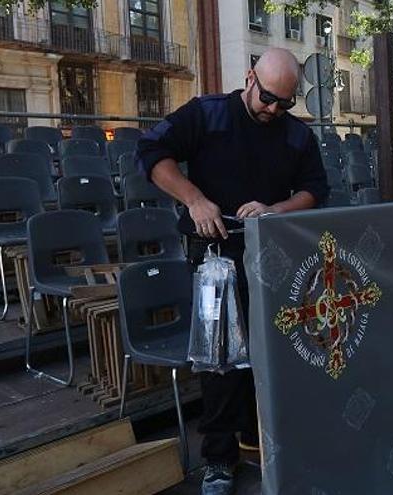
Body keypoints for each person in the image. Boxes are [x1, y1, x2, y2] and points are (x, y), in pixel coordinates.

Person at [136, 48, 328, 495]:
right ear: (249, 78)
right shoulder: (208, 114)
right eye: (266, 97)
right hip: (211, 259)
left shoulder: (296, 134)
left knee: (273, 354)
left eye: (284, 102)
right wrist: (194, 198)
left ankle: (266, 441)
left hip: (270, 257)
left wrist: (276, 208)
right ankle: (219, 460)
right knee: (219, 360)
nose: (272, 109)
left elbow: (316, 189)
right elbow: (150, 150)